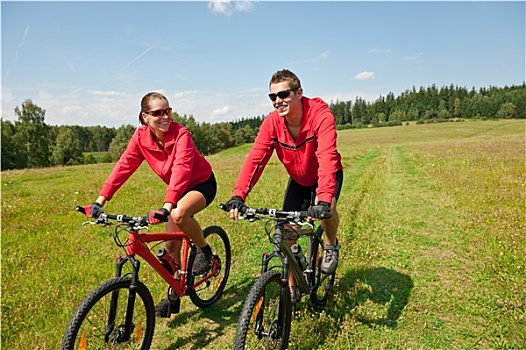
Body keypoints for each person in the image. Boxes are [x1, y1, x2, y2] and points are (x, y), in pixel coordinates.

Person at [83, 91, 217, 318]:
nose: (165, 116)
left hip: (201, 185)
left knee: (179, 214)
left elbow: (182, 169)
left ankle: (204, 250)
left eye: (168, 111)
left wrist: (167, 206)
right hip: (176, 192)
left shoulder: (181, 134)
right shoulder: (141, 138)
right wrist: (99, 201)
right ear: (145, 117)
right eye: (158, 113)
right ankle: (173, 299)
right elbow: (123, 167)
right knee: (172, 250)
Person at [224, 69, 344, 274]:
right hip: (299, 180)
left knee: (328, 211)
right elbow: (255, 160)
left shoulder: (320, 115)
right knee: (287, 236)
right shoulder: (272, 123)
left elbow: (326, 156)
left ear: (299, 93)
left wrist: (323, 199)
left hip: (326, 175)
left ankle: (331, 244)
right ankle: (290, 293)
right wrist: (238, 195)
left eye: (283, 94)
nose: (277, 101)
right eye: (273, 97)